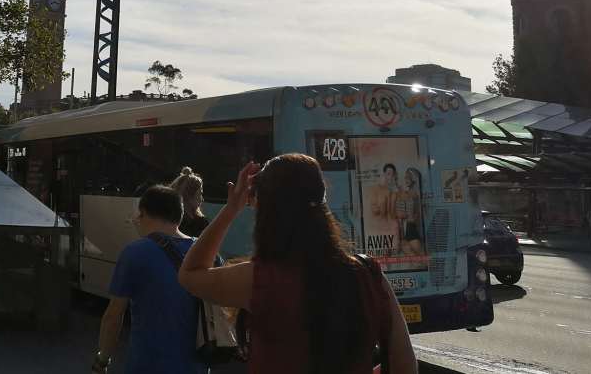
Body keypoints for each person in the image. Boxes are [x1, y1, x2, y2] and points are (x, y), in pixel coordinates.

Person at [178, 156, 417, 374]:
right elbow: (405, 365)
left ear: (266, 210)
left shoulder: (259, 279)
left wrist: (231, 210)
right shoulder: (368, 274)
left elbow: (190, 273)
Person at [93, 185, 206, 374]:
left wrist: (102, 360)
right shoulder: (207, 253)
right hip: (197, 367)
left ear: (143, 213)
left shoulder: (135, 252)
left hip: (147, 365)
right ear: (178, 216)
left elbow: (113, 316)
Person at [170, 167, 209, 238]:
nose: (202, 199)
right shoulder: (199, 224)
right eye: (200, 194)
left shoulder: (167, 219)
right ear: (189, 196)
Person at [395, 168, 424, 257]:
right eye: (405, 178)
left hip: (412, 227)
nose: (406, 180)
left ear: (414, 179)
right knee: (415, 257)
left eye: (409, 177)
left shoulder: (415, 194)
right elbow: (400, 215)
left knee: (419, 257)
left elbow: (416, 213)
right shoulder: (405, 194)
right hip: (406, 228)